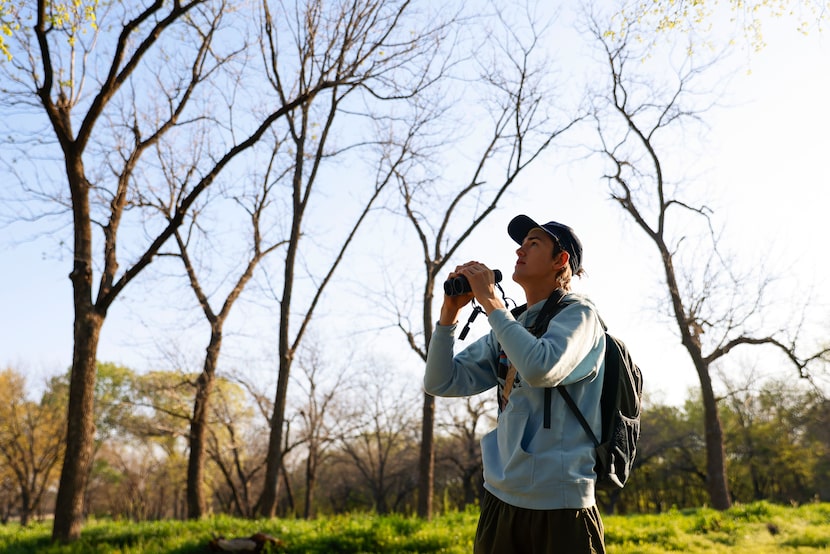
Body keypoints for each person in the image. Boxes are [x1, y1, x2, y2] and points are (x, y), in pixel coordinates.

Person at [424, 214, 607, 554]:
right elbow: (439, 381)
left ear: (560, 260)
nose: (519, 252)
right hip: (500, 499)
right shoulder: (512, 325)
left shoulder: (580, 316)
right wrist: (449, 314)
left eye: (533, 244)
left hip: (561, 504)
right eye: (520, 246)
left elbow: (541, 368)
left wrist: (492, 303)